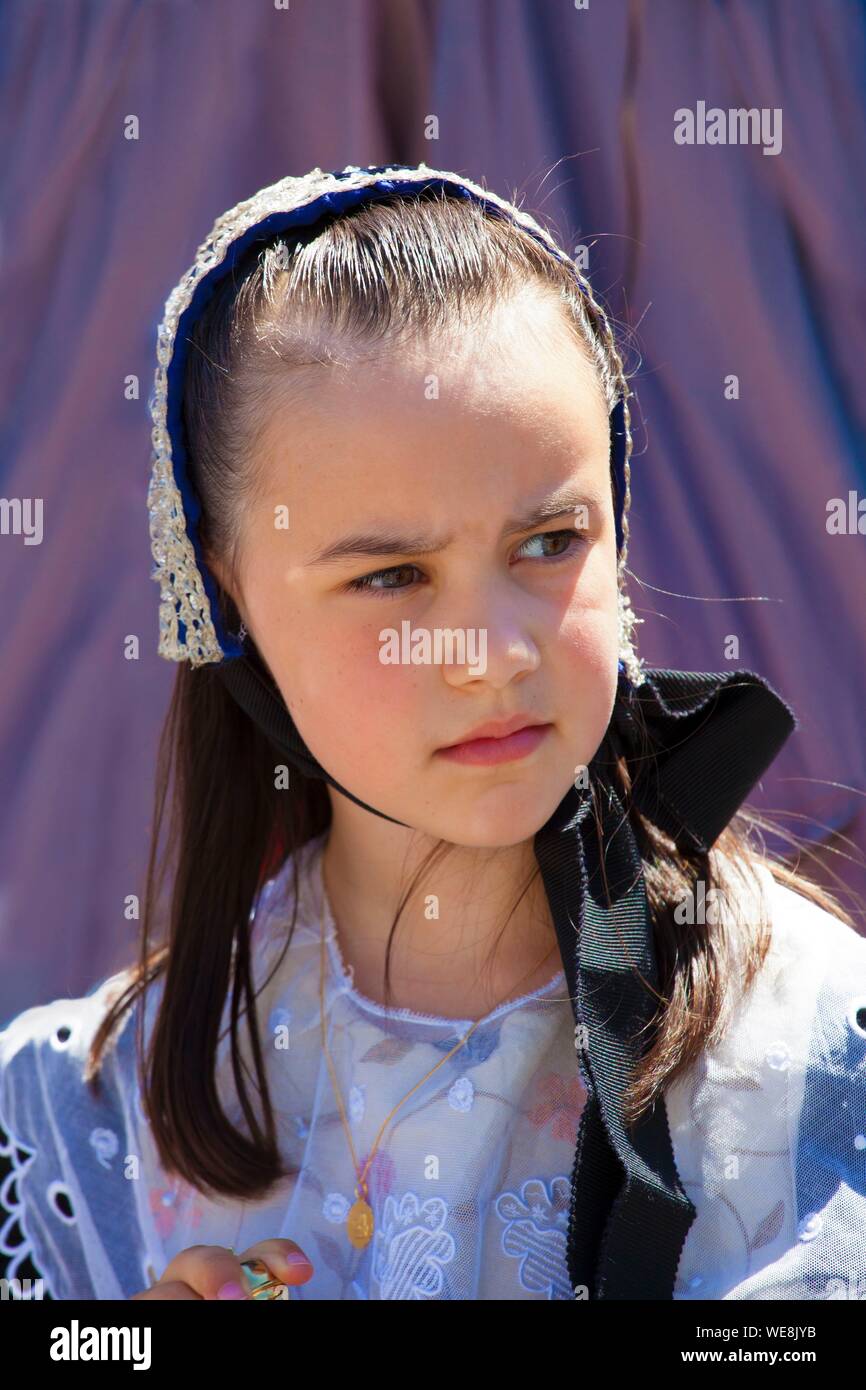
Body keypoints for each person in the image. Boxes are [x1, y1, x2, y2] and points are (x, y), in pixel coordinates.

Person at [1, 164, 865, 1302]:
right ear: (226, 597)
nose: (492, 652)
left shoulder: (813, 1055)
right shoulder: (87, 1120)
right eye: (393, 574)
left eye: (550, 541)